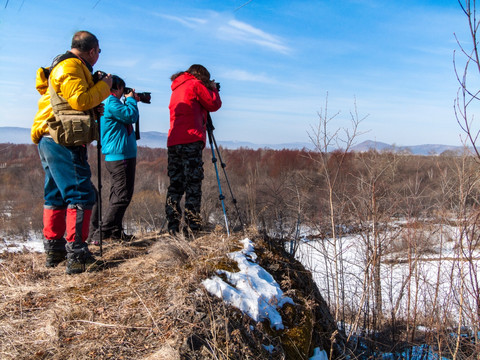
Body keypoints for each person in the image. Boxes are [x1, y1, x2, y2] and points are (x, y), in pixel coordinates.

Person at [31, 30, 113, 274]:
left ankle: (54, 249)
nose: (98, 55)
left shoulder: (61, 65)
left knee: (55, 195)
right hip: (62, 139)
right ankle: (77, 254)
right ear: (92, 51)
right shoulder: (71, 66)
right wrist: (104, 87)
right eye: (99, 51)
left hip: (49, 136)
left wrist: (92, 107)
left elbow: (72, 102)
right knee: (80, 194)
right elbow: (79, 99)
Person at [166, 64, 222, 236]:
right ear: (202, 76)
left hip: (174, 141)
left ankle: (173, 227)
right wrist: (213, 89)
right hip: (191, 140)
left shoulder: (178, 86)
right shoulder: (195, 84)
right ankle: (192, 228)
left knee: (175, 185)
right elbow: (213, 104)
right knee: (193, 184)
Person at [88, 75, 139, 243]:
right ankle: (101, 234)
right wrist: (131, 101)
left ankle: (115, 232)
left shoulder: (111, 103)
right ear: (115, 89)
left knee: (118, 194)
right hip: (119, 155)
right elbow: (130, 116)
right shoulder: (110, 102)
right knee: (122, 196)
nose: (122, 93)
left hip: (120, 155)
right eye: (121, 89)